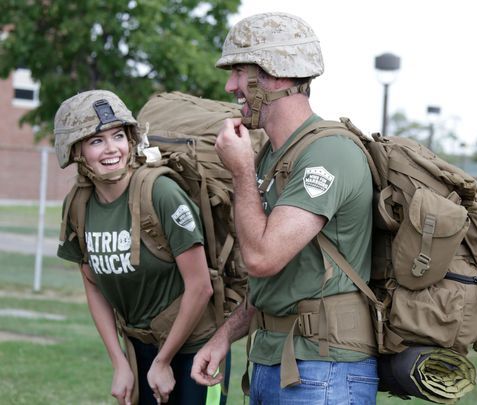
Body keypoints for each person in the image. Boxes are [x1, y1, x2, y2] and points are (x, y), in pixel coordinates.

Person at [191, 12, 379, 405]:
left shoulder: (329, 152)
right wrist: (223, 337)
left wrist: (240, 171)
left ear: (275, 75)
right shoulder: (273, 156)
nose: (230, 86)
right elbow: (276, 285)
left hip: (323, 370)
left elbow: (262, 259)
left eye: (240, 72)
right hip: (275, 360)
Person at [54, 90, 224, 405]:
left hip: (194, 351)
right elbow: (92, 283)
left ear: (130, 139)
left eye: (117, 136)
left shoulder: (161, 193)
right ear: (76, 152)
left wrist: (164, 361)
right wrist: (119, 362)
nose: (111, 149)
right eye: (96, 141)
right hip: (139, 347)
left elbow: (200, 287)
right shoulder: (79, 204)